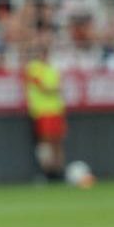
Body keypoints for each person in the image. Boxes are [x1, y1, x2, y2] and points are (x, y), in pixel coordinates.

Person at [25, 42, 67, 182]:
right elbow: (45, 88)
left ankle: (59, 171)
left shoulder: (52, 69)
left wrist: (54, 89)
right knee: (45, 142)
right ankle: (47, 172)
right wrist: (53, 89)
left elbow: (58, 88)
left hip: (55, 110)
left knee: (57, 142)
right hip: (42, 112)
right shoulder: (34, 68)